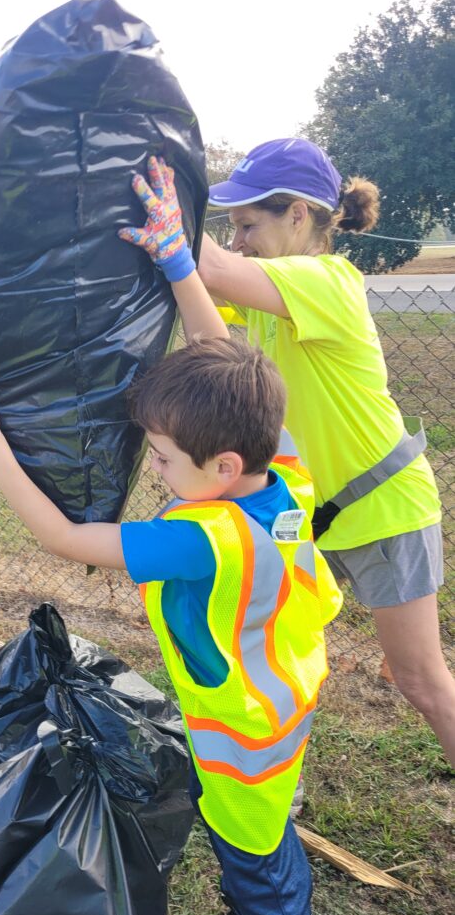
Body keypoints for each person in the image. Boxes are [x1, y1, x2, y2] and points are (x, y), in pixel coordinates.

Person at [0, 161, 361, 915]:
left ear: (224, 465)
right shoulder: (284, 470)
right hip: (286, 697)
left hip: (241, 738)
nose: (158, 473)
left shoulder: (195, 539)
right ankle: (259, 898)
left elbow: (65, 539)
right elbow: (231, 362)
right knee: (256, 832)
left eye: (166, 460)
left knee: (262, 862)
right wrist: (178, 261)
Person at [188, 137, 453, 766]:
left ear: (299, 215)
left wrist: (149, 184)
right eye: (233, 228)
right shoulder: (268, 297)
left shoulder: (328, 281)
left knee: (419, 679)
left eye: (248, 224)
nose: (239, 240)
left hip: (382, 508)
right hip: (313, 516)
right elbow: (206, 321)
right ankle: (276, 776)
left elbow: (211, 269)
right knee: (278, 649)